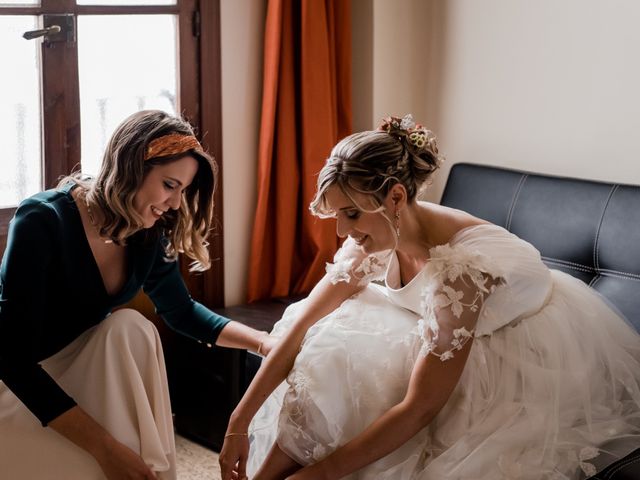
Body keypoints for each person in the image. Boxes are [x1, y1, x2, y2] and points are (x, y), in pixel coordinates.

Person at [219, 115, 640, 480]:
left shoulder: (460, 273)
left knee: (355, 360)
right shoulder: (379, 234)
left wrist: (321, 474)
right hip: (432, 327)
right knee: (328, 343)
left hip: (514, 351)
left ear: (396, 197)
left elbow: (420, 407)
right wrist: (239, 423)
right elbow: (298, 330)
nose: (343, 233)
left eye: (351, 214)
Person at [0, 110, 276, 480]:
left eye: (182, 191)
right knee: (126, 336)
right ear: (131, 166)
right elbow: (13, 362)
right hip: (23, 387)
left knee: (129, 327)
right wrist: (105, 448)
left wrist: (264, 343)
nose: (176, 204)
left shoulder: (146, 231)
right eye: (169, 185)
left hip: (81, 373)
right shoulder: (42, 220)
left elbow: (182, 312)